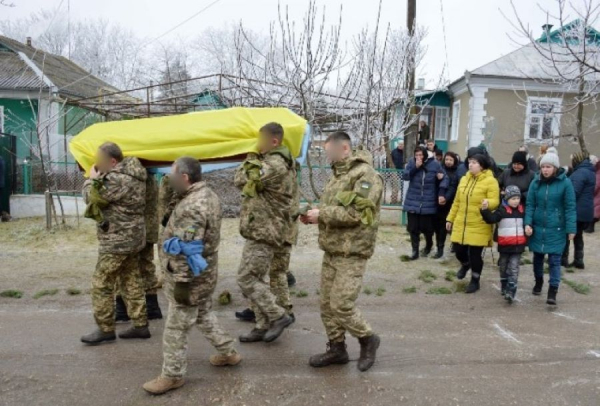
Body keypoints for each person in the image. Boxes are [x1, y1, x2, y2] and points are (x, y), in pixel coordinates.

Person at [143, 157, 241, 395]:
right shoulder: (207, 195)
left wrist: (183, 284)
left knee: (176, 327)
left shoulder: (192, 206)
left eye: (172, 175)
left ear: (184, 178)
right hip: (206, 274)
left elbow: (189, 249)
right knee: (203, 313)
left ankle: (172, 375)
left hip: (190, 278)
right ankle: (228, 352)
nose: (168, 179)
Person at [300, 131, 383, 372]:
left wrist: (323, 214)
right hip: (333, 249)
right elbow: (335, 209)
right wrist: (315, 216)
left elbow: (358, 214)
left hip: (353, 251)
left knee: (341, 304)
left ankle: (368, 339)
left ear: (344, 148)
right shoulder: (338, 175)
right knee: (326, 304)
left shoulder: (366, 176)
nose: (328, 157)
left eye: (329, 152)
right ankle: (337, 349)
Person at [80, 142, 150, 345]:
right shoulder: (136, 175)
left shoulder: (116, 179)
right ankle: (140, 325)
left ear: (112, 161)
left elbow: (90, 198)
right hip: (133, 238)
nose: (96, 163)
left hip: (117, 241)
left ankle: (105, 328)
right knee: (131, 279)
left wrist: (90, 180)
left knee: (101, 283)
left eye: (99, 159)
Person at [234, 122, 295, 343]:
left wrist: (251, 155)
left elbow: (240, 179)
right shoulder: (271, 162)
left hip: (265, 230)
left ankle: (278, 315)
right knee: (254, 277)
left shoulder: (275, 164)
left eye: (260, 141)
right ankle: (261, 325)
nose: (257, 145)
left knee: (246, 278)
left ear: (274, 142)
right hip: (260, 228)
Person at [235, 160, 300, 325]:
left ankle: (281, 312)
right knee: (270, 273)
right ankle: (267, 311)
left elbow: (242, 180)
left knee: (274, 273)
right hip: (281, 229)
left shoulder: (278, 169)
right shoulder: (287, 169)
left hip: (279, 231)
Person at [525, 152, 576, 305]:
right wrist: (528, 223)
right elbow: (530, 205)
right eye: (543, 167)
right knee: (537, 259)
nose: (545, 170)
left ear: (555, 168)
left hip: (557, 228)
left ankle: (553, 290)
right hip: (538, 227)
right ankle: (538, 282)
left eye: (548, 167)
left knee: (554, 261)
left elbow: (570, 207)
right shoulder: (535, 183)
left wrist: (571, 229)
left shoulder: (565, 183)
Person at [446, 154, 500, 294]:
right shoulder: (464, 179)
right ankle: (465, 264)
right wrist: (450, 219)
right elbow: (457, 201)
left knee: (475, 255)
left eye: (474, 163)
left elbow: (495, 200)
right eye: (469, 162)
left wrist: (488, 203)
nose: (470, 165)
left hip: (479, 222)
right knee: (458, 250)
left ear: (481, 166)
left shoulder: (490, 181)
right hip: (461, 222)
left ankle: (475, 280)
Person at [115, 172, 163, 322]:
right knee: (147, 266)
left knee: (124, 267)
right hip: (148, 227)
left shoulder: (128, 178)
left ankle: (122, 308)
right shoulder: (150, 176)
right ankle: (152, 306)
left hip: (132, 229)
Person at [481, 185, 527, 303]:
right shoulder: (502, 210)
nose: (516, 201)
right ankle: (504, 284)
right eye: (513, 198)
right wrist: (485, 210)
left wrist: (529, 228)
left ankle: (511, 290)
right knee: (503, 266)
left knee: (514, 267)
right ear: (506, 199)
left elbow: (529, 223)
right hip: (505, 245)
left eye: (518, 198)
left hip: (518, 245)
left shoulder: (523, 210)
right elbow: (491, 219)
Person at [403, 146, 448, 260]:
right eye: (416, 155)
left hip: (428, 201)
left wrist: (441, 182)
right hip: (413, 199)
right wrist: (415, 168)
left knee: (427, 228)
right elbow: (405, 176)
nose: (418, 157)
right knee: (413, 228)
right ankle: (415, 251)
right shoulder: (411, 163)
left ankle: (429, 244)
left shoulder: (435, 164)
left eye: (420, 155)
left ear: (425, 155)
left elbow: (445, 178)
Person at [562, 152, 596, 269]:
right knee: (578, 235)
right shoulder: (590, 171)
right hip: (586, 210)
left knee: (567, 234)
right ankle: (579, 259)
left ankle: (563, 259)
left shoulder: (579, 173)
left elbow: (574, 192)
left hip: (576, 210)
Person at [433, 152, 460, 259]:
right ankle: (439, 248)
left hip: (450, 203)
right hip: (437, 202)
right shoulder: (440, 170)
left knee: (446, 226)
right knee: (437, 226)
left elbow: (454, 187)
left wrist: (446, 197)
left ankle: (447, 246)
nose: (448, 162)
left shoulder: (457, 172)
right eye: (447, 159)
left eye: (451, 160)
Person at [590, 155, 600, 233]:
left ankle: (590, 228)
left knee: (594, 214)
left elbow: (595, 186)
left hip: (597, 198)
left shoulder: (598, 173)